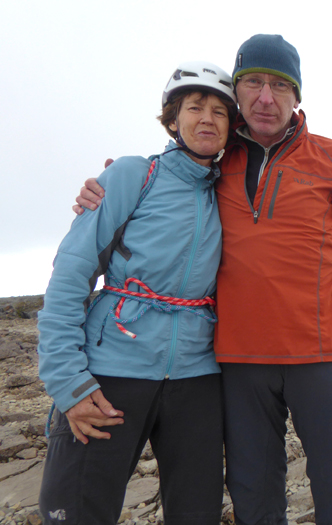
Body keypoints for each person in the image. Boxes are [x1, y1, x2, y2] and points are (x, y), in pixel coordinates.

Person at [75, 34, 332, 525]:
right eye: (253, 82)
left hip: (322, 358)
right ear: (236, 92)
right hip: (239, 363)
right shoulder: (215, 160)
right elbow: (166, 176)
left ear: (297, 97)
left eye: (280, 85)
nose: (265, 97)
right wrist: (108, 186)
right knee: (254, 499)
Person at [39, 61, 236, 525]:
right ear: (172, 120)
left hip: (196, 376)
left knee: (197, 515)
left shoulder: (231, 192)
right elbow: (71, 273)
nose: (207, 118)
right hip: (111, 371)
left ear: (232, 127)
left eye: (220, 112)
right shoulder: (132, 175)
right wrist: (68, 381)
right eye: (194, 107)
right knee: (77, 512)